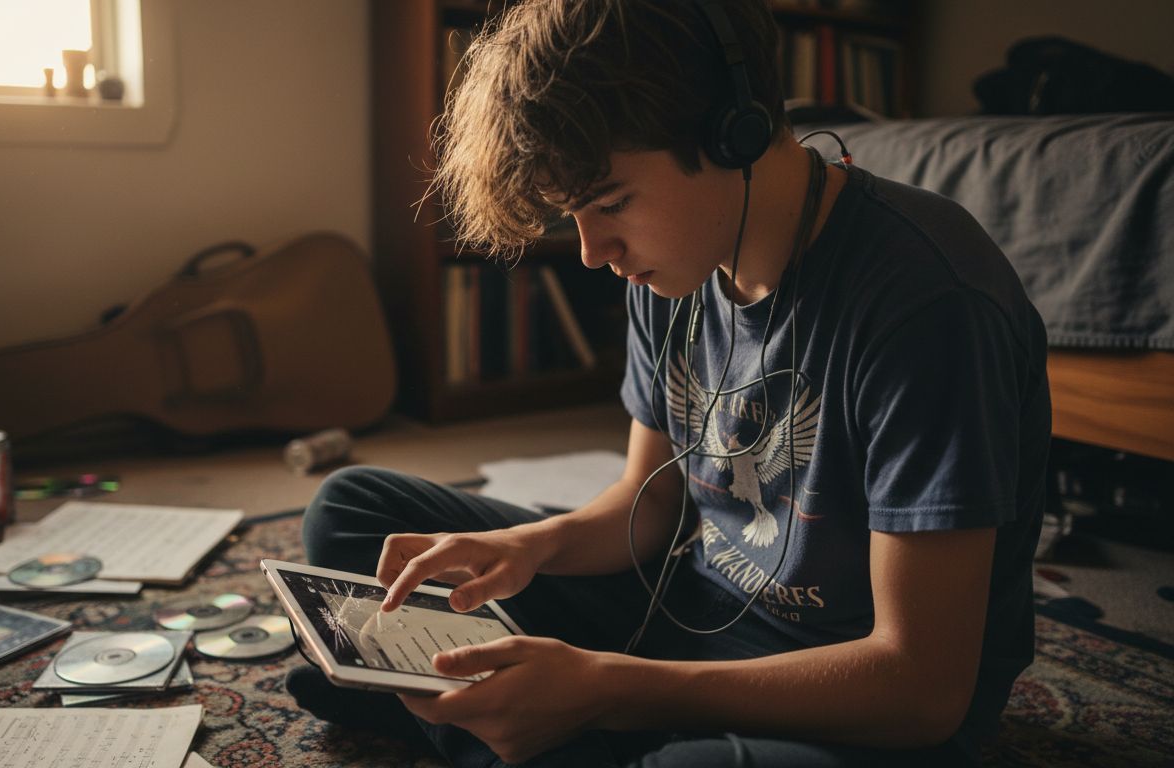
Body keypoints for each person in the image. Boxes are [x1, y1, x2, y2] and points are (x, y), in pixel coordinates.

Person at [288, 1, 1050, 765]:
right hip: (686, 615)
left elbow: (920, 688)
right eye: (573, 214)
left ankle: (490, 721)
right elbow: (648, 503)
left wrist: (612, 687)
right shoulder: (670, 269)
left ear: (733, 130)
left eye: (612, 203)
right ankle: (516, 722)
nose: (592, 251)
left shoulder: (927, 301)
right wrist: (526, 546)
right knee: (353, 511)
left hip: (848, 692)